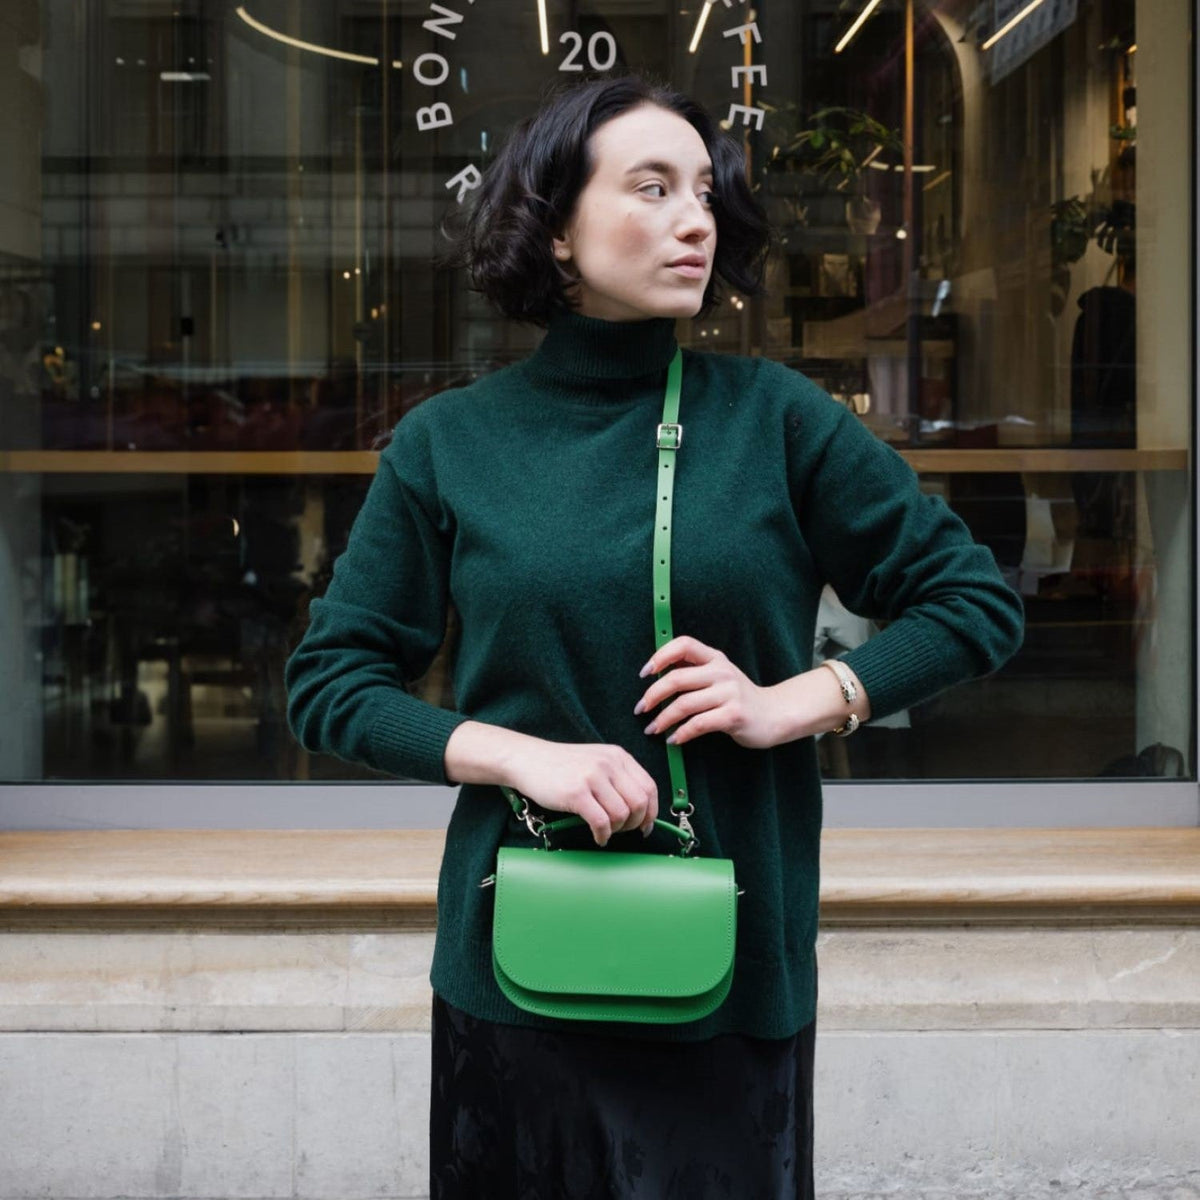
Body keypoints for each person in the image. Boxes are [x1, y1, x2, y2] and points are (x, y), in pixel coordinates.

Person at [284, 73, 1024, 1199]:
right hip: (513, 971)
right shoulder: (448, 444)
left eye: (706, 195)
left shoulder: (776, 420)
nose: (695, 219)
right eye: (652, 187)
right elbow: (330, 682)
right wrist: (519, 753)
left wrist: (801, 699)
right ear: (558, 231)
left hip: (732, 975)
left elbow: (972, 600)